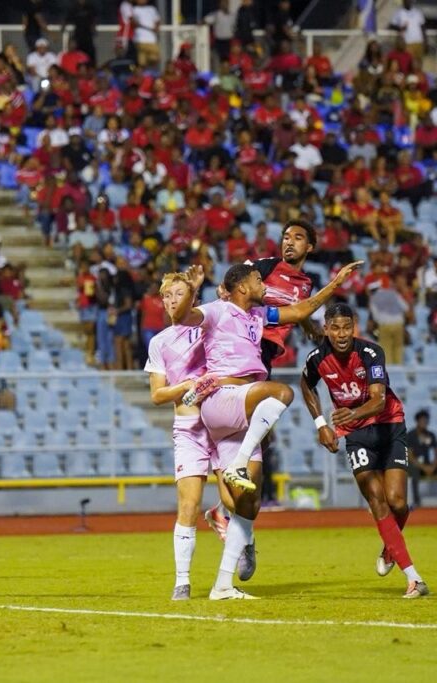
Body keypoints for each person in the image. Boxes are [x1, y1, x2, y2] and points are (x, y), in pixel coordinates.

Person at [176, 259, 362, 599]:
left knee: (249, 503)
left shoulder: (259, 316)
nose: (265, 285)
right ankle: (237, 464)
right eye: (259, 280)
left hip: (245, 410)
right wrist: (190, 289)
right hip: (223, 398)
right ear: (243, 286)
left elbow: (302, 309)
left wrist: (335, 284)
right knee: (283, 391)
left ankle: (222, 585)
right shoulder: (217, 310)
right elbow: (182, 318)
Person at [301, 303, 428, 598]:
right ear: (326, 329)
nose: (342, 334)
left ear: (354, 326)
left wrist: (351, 414)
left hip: (389, 427)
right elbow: (306, 385)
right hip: (357, 437)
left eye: (347, 327)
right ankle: (413, 579)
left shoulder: (371, 353)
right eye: (335, 328)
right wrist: (321, 423)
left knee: (398, 503)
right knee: (377, 501)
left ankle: (389, 548)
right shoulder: (317, 358)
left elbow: (379, 400)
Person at [206, 220, 320, 531]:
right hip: (248, 346)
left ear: (309, 247)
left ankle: (223, 506)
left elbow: (295, 308)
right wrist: (223, 290)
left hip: (266, 353)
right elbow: (232, 283)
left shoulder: (306, 283)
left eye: (297, 238)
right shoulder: (264, 266)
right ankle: (226, 482)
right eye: (286, 237)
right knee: (258, 424)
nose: (289, 242)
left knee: (263, 436)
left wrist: (310, 327)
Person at [145, 272, 234, 600]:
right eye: (166, 295)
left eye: (177, 294)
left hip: (219, 423)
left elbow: (227, 312)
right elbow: (157, 395)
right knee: (188, 504)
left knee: (233, 499)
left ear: (192, 298)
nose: (170, 301)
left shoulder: (207, 327)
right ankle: (182, 581)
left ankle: (224, 520)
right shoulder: (159, 342)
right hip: (188, 430)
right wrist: (184, 387)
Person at [406, 410, 436, 508]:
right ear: (417, 421)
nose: (424, 423)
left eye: (426, 421)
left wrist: (433, 466)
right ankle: (416, 502)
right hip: (415, 465)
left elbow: (436, 452)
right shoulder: (410, 435)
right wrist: (424, 468)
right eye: (422, 420)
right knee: (414, 470)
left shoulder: (430, 435)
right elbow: (410, 457)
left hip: (428, 465)